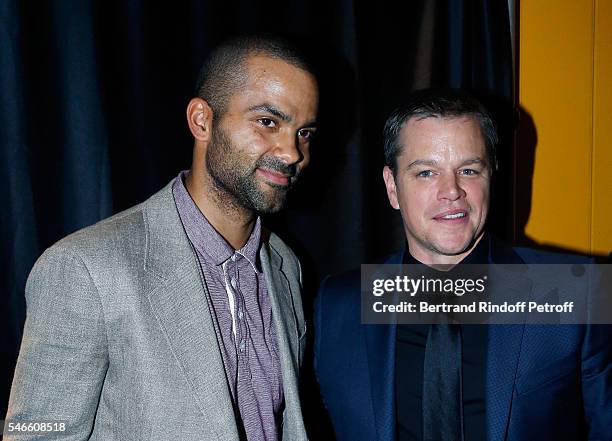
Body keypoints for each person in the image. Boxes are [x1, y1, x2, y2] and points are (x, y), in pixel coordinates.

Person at [6, 35, 318, 441]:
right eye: (268, 122)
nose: (292, 152)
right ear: (201, 120)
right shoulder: (86, 267)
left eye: (305, 132)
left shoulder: (284, 265)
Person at [314, 89, 612, 441]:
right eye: (426, 173)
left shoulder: (579, 294)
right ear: (392, 187)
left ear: (491, 177)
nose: (452, 191)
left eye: (469, 170)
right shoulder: (337, 305)